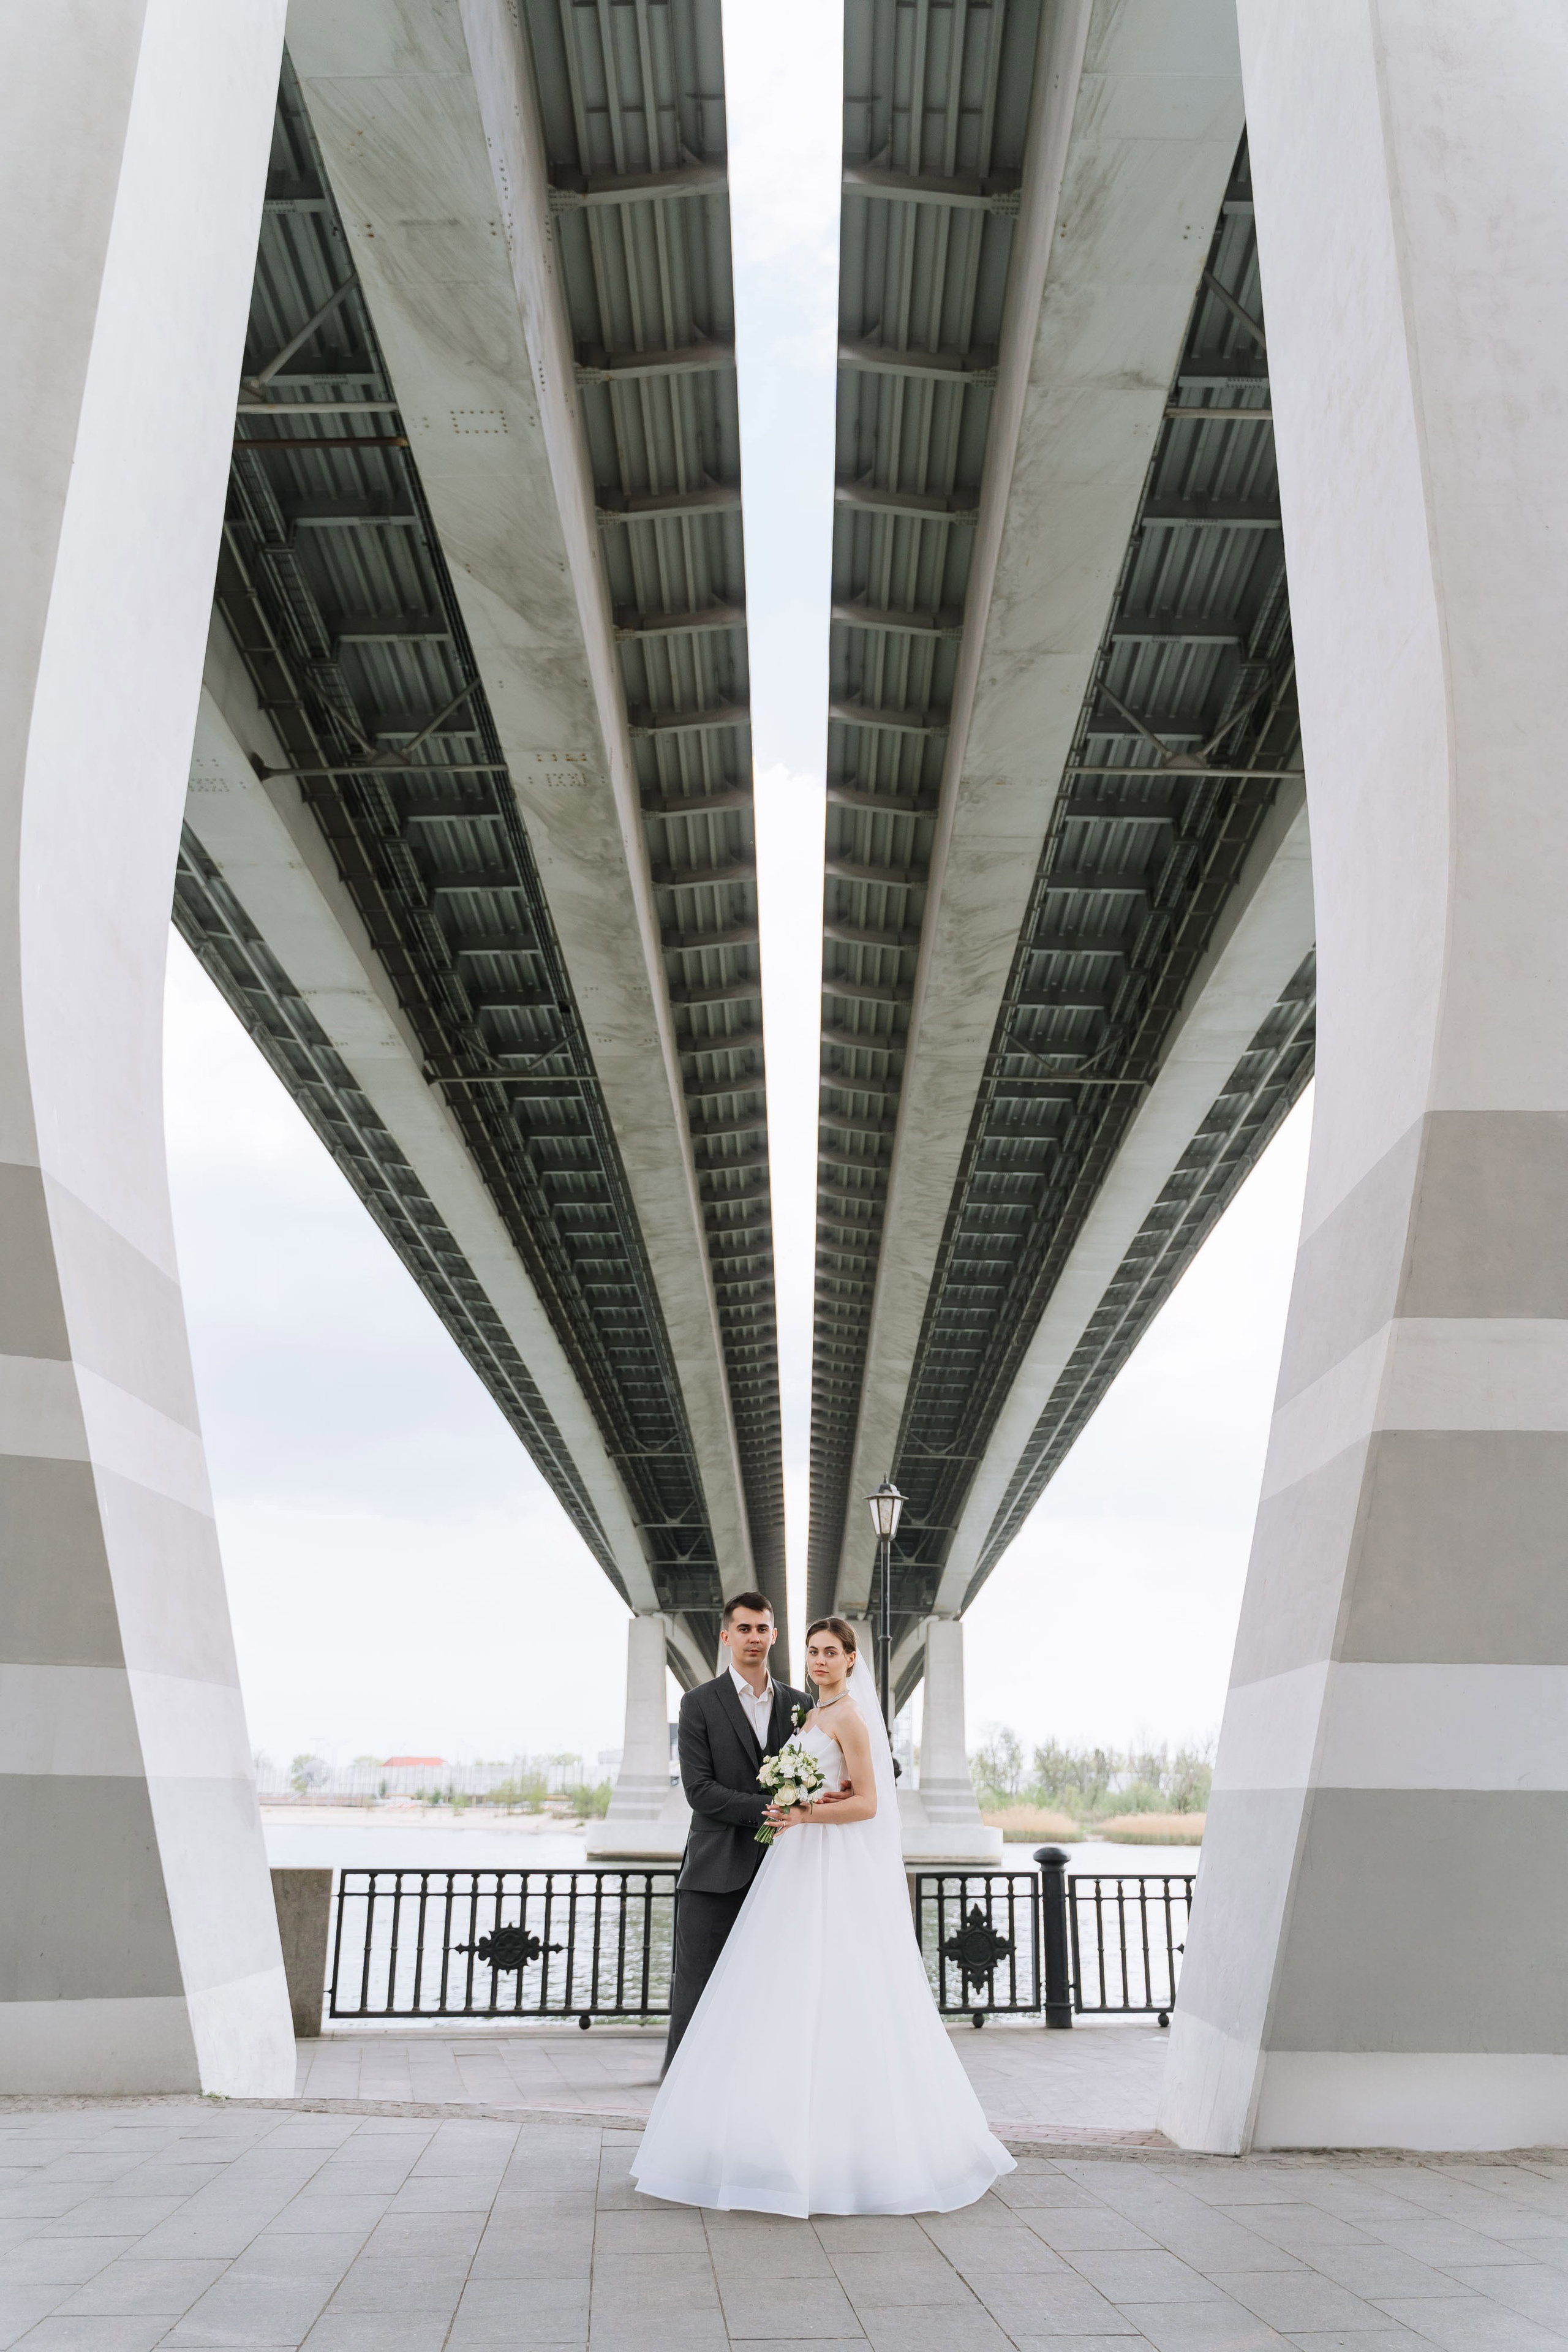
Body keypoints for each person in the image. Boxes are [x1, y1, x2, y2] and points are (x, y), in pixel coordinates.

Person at [635, 1616, 1015, 2217]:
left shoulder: (849, 1718)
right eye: (811, 1651)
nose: (818, 1660)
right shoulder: (808, 1717)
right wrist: (795, 1804)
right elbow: (829, 1787)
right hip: (795, 1860)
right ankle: (772, 2137)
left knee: (835, 1984)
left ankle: (843, 2147)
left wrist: (803, 1812)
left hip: (826, 1861)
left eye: (830, 1652)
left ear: (851, 1659)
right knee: (777, 1989)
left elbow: (866, 1802)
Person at [664, 1592, 810, 2068]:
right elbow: (700, 1791)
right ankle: (682, 2091)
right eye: (743, 1628)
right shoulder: (698, 1703)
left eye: (762, 1628)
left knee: (774, 1989)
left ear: (773, 1635)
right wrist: (773, 1806)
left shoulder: (800, 1704)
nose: (753, 1637)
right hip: (714, 1873)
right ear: (726, 1636)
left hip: (783, 1872)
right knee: (699, 1991)